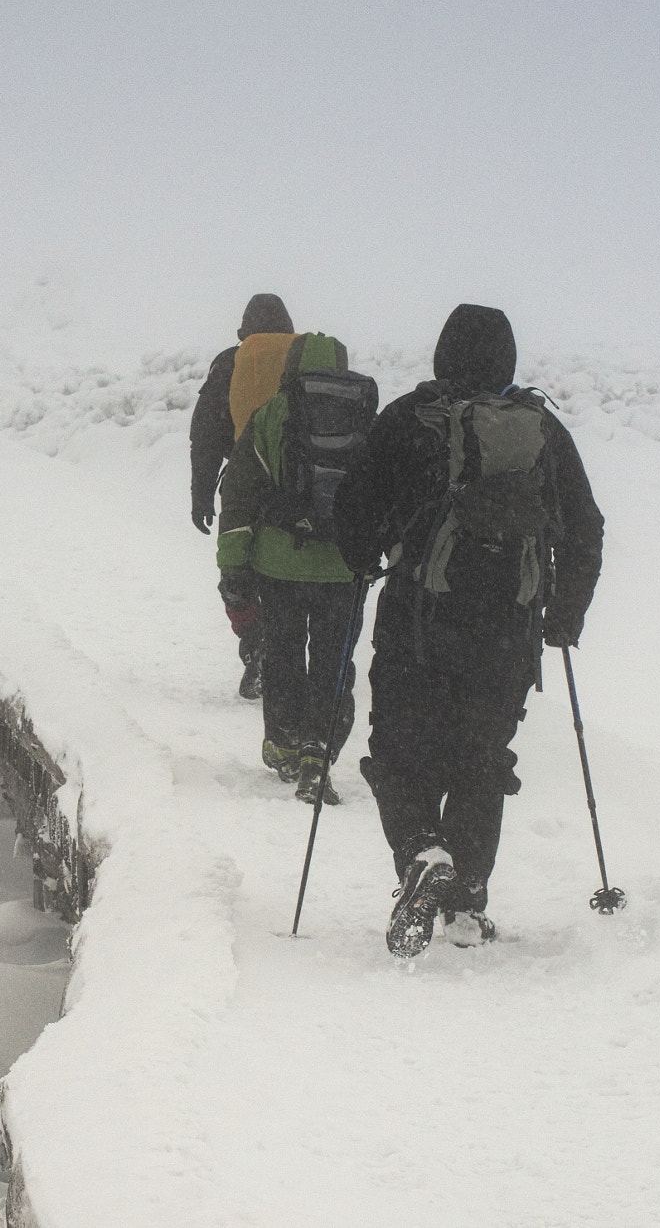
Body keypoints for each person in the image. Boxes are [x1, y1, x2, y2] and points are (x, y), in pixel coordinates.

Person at [334, 304, 603, 954]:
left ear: (442, 354)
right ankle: (466, 904)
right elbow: (585, 526)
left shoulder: (408, 418)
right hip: (507, 631)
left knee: (399, 752)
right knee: (482, 760)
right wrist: (564, 615)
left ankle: (423, 854)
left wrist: (362, 558)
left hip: (418, 623)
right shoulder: (540, 430)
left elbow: (354, 507)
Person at [216, 331, 363, 803]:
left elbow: (238, 498)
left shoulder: (270, 416)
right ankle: (319, 750)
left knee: (282, 654)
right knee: (332, 660)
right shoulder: (363, 418)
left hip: (279, 565)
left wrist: (234, 568)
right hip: (343, 567)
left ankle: (283, 745)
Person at [190, 294, 297, 699]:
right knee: (290, 578)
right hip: (299, 491)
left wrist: (201, 495)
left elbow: (205, 436)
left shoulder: (231, 363)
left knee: (238, 577)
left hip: (244, 492)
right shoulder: (304, 361)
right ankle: (291, 660)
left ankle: (256, 646)